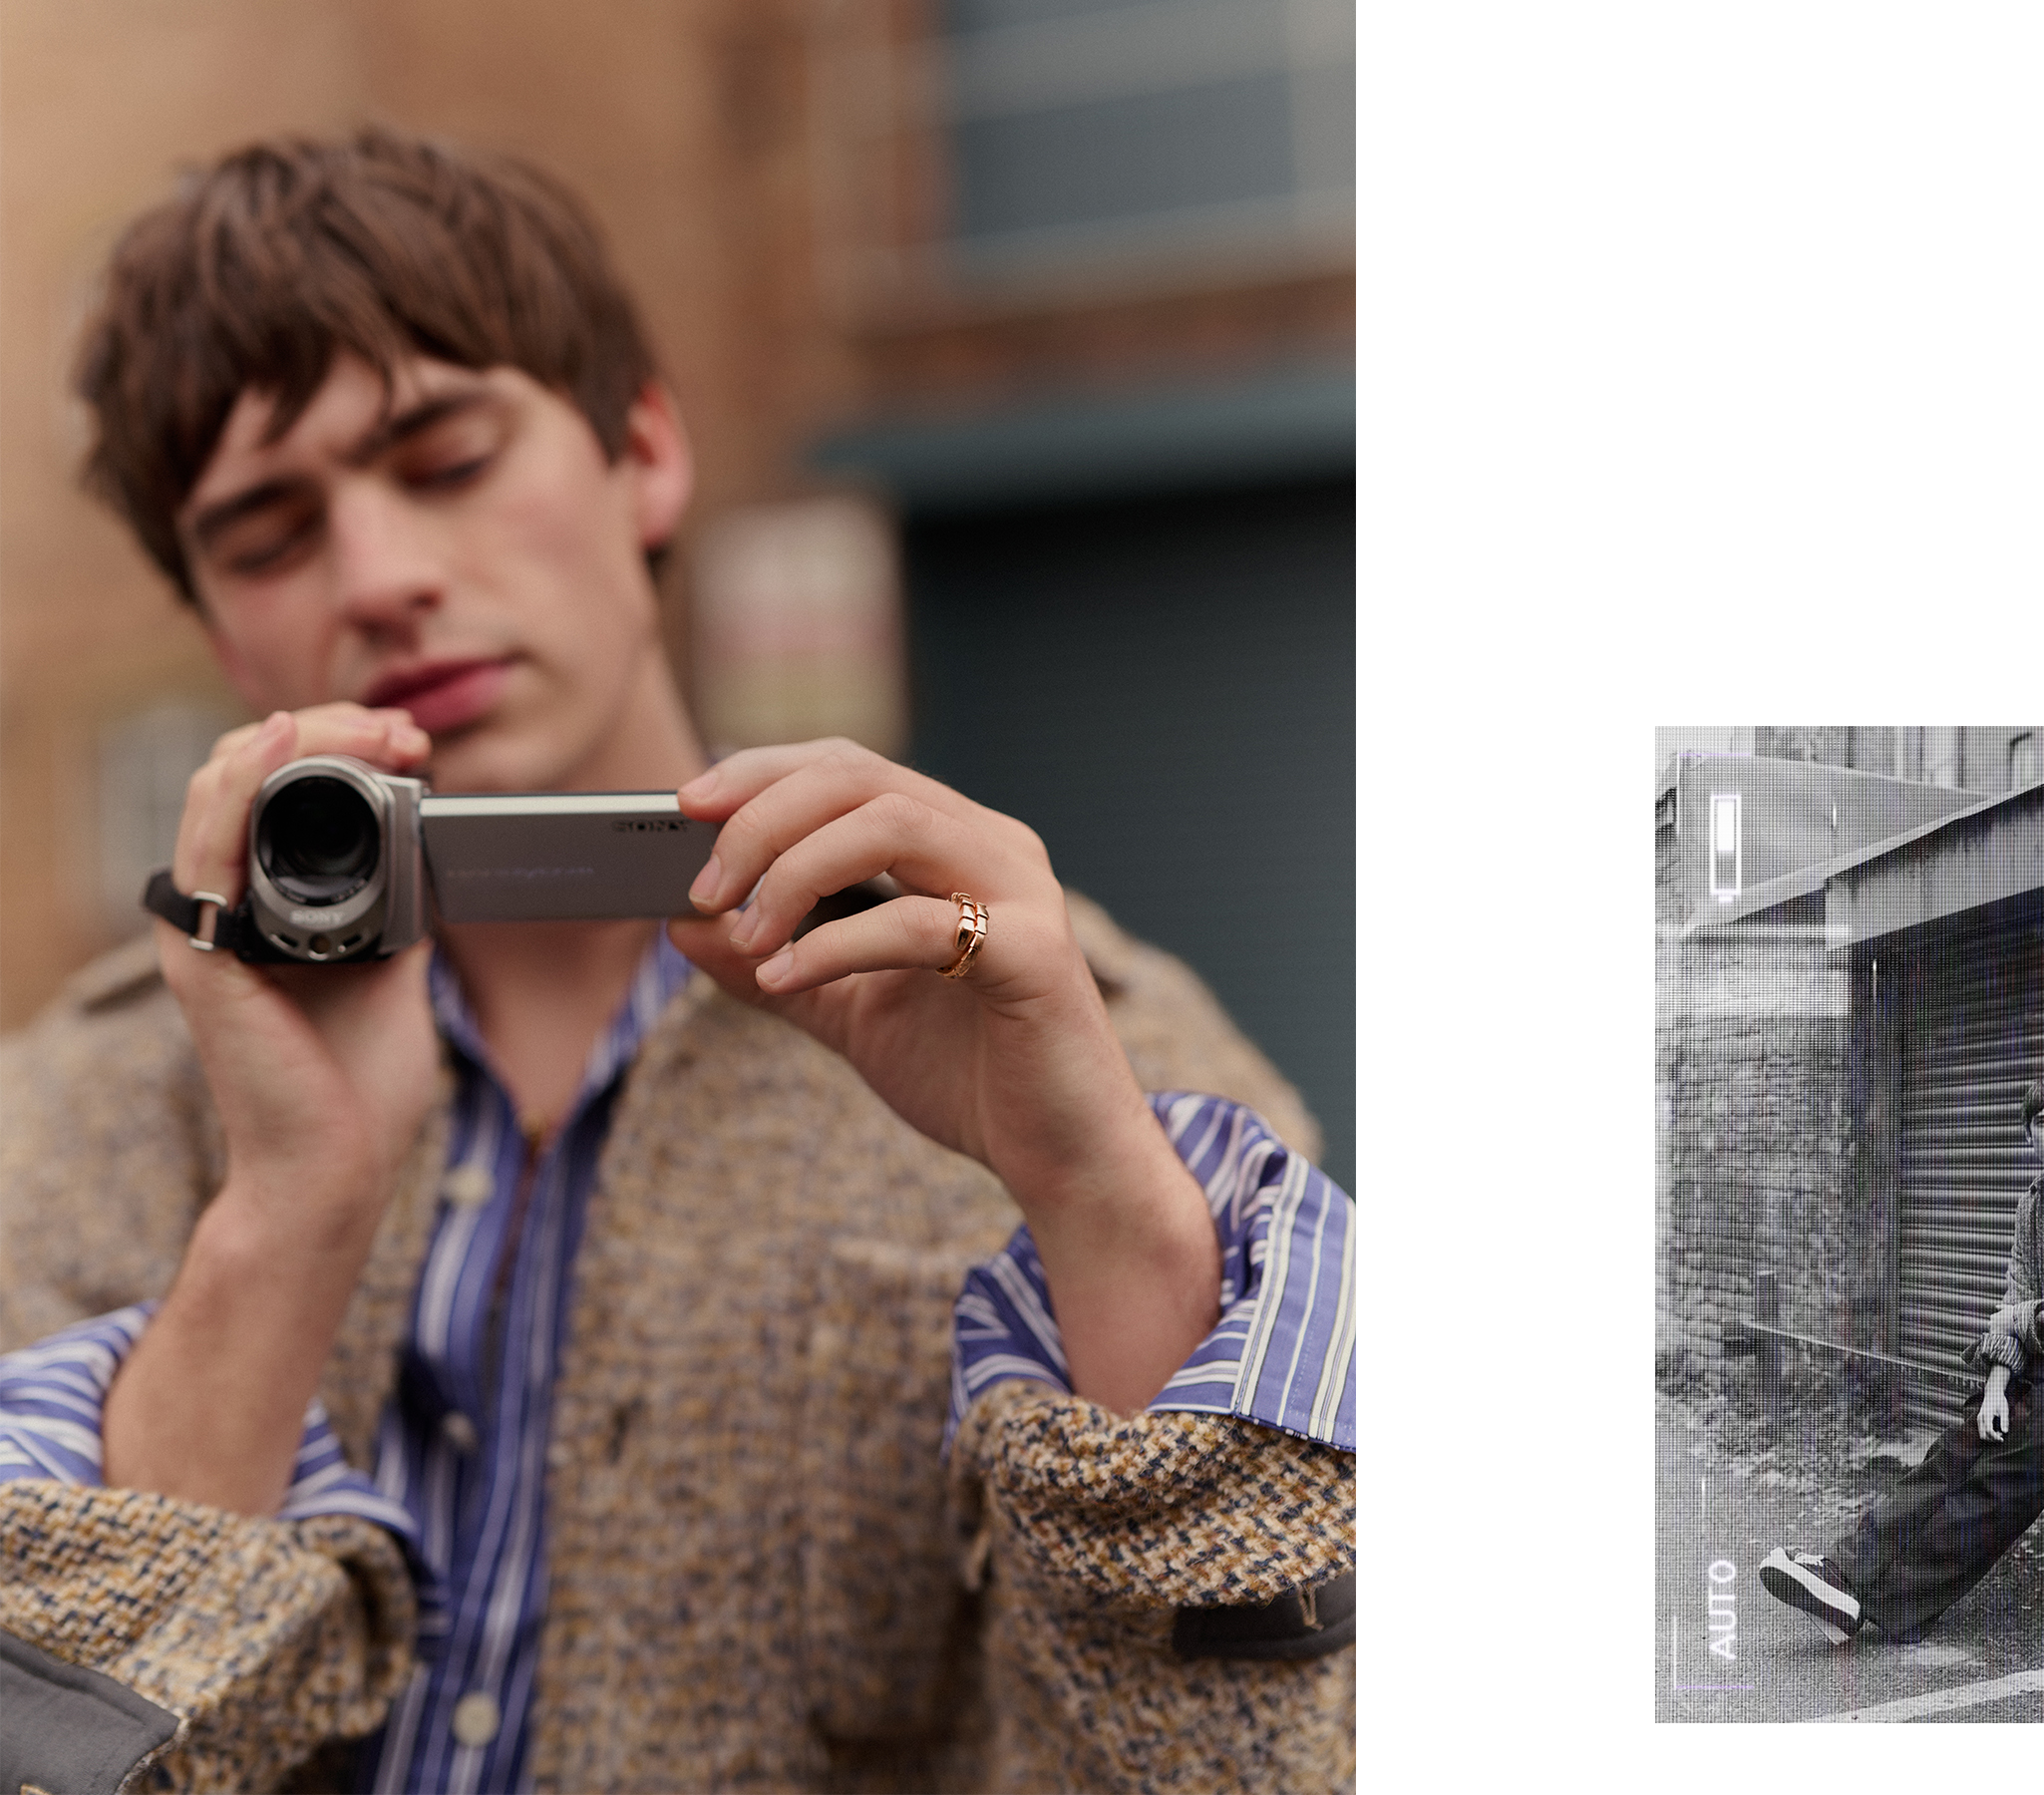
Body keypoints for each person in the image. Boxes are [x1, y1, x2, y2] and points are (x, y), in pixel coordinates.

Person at [0, 130, 1353, 1793]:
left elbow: (1254, 1761)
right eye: (271, 536)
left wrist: (1092, 1192)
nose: (383, 578)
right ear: (219, 628)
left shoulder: (1083, 1048)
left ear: (642, 453)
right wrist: (284, 1217)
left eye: (447, 459)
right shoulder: (76, 1116)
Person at [1758, 1071, 2044, 1645]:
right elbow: (2016, 1298)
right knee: (1955, 1452)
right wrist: (1994, 1388)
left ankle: (1880, 1605)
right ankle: (1843, 1573)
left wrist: (2021, 1321)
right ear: (2029, 1136)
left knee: (1997, 1486)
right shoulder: (2035, 1204)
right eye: (2041, 1122)